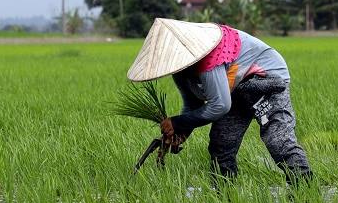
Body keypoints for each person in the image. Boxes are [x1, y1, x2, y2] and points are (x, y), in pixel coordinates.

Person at [126, 18, 312, 182]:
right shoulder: (181, 71)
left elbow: (220, 106)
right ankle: (225, 198)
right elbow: (193, 104)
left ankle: (306, 188)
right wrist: (181, 132)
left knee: (277, 140)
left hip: (265, 81)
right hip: (234, 90)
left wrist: (176, 122)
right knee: (221, 145)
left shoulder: (208, 58)